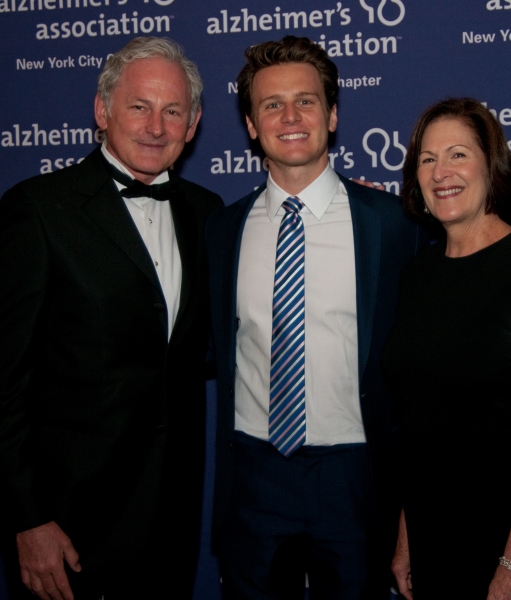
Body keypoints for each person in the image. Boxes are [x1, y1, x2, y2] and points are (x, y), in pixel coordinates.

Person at [0, 36, 222, 600]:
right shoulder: (37, 211)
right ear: (102, 112)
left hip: (171, 526)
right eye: (138, 106)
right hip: (69, 531)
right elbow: (3, 379)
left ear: (192, 124)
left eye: (173, 110)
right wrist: (27, 519)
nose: (156, 126)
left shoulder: (207, 214)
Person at [206, 36, 427, 599]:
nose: (290, 116)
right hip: (254, 473)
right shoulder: (221, 232)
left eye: (305, 101)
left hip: (354, 478)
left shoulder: (391, 225)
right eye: (271, 105)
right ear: (252, 126)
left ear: (331, 115)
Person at [382, 97, 511, 600]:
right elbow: (419, 424)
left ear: (492, 164)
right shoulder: (418, 274)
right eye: (427, 158)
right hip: (434, 542)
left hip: (507, 543)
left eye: (458, 154)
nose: (442, 172)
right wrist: (406, 539)